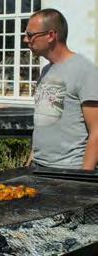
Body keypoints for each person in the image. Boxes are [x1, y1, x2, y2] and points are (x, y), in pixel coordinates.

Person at [24, 8, 98, 171]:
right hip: (39, 166)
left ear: (50, 35)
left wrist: (83, 178)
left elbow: (96, 130)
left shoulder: (85, 71)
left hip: (70, 169)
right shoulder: (46, 71)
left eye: (30, 35)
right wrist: (32, 157)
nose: (25, 40)